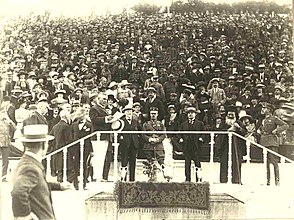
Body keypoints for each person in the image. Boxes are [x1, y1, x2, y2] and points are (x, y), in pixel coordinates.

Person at [11, 124, 72, 219]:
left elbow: (37, 184)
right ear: (43, 145)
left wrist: (59, 186)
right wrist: (24, 215)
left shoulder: (27, 162)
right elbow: (18, 192)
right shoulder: (29, 167)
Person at [257, 102, 289, 186]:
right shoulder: (263, 120)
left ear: (269, 110)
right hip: (264, 141)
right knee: (266, 162)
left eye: (264, 108)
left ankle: (277, 180)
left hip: (272, 142)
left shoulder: (274, 118)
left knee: (274, 162)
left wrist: (277, 130)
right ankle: (268, 181)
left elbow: (285, 125)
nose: (262, 110)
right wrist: (259, 131)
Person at [216, 106, 247, 184]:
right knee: (224, 163)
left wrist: (239, 128)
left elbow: (244, 132)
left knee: (236, 162)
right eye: (229, 115)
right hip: (224, 145)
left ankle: (236, 180)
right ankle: (223, 180)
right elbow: (219, 132)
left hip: (236, 146)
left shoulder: (239, 122)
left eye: (232, 115)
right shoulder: (223, 123)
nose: (230, 116)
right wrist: (228, 130)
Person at [50, 110, 78, 189]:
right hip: (66, 151)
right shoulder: (66, 126)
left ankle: (60, 185)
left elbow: (51, 138)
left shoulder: (55, 126)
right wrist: (73, 153)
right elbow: (69, 140)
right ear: (66, 117)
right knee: (70, 170)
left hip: (57, 151)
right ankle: (68, 186)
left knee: (60, 171)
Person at [89, 92, 114, 182]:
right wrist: (107, 119)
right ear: (98, 99)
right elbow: (94, 120)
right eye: (103, 99)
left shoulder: (105, 109)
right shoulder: (94, 109)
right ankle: (96, 176)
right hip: (98, 136)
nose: (105, 101)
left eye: (106, 99)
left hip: (106, 136)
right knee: (98, 157)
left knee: (105, 157)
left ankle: (102, 176)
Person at [179, 107, 205, 182]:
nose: (190, 114)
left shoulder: (200, 124)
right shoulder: (183, 124)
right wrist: (181, 138)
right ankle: (187, 180)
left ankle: (199, 179)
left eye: (192, 113)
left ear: (195, 114)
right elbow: (179, 133)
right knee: (187, 164)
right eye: (189, 113)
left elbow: (204, 133)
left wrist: (201, 138)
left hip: (196, 146)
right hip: (187, 146)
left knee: (197, 164)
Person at [142, 107, 167, 181]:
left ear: (157, 114)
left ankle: (163, 178)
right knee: (150, 164)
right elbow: (143, 135)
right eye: (152, 114)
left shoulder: (161, 124)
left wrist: (157, 139)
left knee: (161, 162)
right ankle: (151, 179)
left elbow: (163, 134)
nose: (153, 115)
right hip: (148, 146)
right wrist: (149, 139)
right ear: (150, 114)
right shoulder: (146, 124)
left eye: (155, 114)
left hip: (158, 146)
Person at [119, 105, 141, 181]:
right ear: (124, 113)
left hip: (134, 144)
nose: (129, 113)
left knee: (133, 162)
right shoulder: (121, 121)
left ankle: (132, 179)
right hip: (124, 144)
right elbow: (117, 131)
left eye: (130, 112)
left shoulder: (135, 121)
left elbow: (140, 130)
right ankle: (123, 179)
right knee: (124, 161)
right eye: (127, 111)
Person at [0, 108, 16, 182]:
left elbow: (15, 129)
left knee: (5, 161)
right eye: (2, 112)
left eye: (5, 112)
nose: (3, 114)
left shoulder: (7, 122)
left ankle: (3, 177)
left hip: (6, 143)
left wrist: (10, 122)